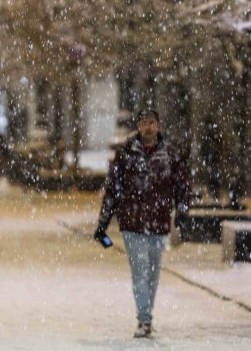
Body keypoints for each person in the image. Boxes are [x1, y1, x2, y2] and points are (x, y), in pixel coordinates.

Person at [96, 108, 189, 339]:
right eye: (143, 122)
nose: (147, 127)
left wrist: (182, 214)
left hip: (159, 223)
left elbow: (183, 187)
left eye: (151, 122)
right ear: (138, 126)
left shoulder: (170, 154)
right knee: (139, 271)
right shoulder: (126, 153)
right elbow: (113, 189)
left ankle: (147, 315)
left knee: (153, 272)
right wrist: (103, 222)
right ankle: (144, 319)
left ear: (158, 125)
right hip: (132, 223)